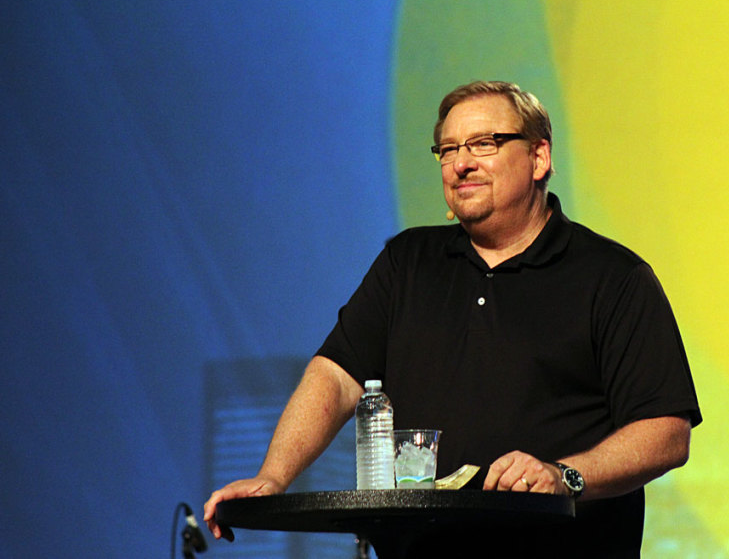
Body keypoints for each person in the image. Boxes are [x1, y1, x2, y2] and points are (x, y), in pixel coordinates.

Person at [204, 80, 701, 557]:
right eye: (447, 150)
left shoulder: (613, 277)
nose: (461, 164)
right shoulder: (407, 263)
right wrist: (273, 476)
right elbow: (335, 377)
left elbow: (665, 430)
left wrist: (563, 476)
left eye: (484, 143)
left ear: (539, 157)